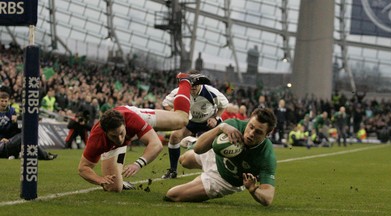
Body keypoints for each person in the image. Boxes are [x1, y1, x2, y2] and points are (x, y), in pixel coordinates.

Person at [77, 72, 210, 192]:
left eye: (122, 133)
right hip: (113, 142)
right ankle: (121, 182)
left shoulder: (132, 119)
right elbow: (83, 168)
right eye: (114, 136)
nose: (119, 139)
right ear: (105, 132)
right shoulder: (97, 138)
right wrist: (99, 180)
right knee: (113, 188)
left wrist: (138, 164)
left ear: (125, 125)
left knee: (181, 120)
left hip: (137, 116)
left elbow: (156, 144)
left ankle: (184, 80)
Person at [164, 108, 277, 206]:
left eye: (258, 132)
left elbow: (268, 198)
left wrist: (253, 189)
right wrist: (220, 127)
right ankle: (197, 141)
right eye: (251, 127)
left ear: (267, 135)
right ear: (248, 121)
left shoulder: (266, 156)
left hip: (224, 180)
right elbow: (198, 149)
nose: (251, 133)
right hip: (216, 154)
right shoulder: (234, 125)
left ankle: (202, 175)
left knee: (172, 195)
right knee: (183, 161)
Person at [161, 72, 229, 179]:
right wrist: (176, 113)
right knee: (174, 136)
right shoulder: (180, 91)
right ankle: (173, 170)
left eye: (196, 84)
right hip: (190, 122)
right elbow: (165, 103)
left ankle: (224, 170)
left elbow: (224, 104)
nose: (193, 87)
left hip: (208, 122)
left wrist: (215, 118)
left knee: (217, 145)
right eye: (191, 84)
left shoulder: (211, 92)